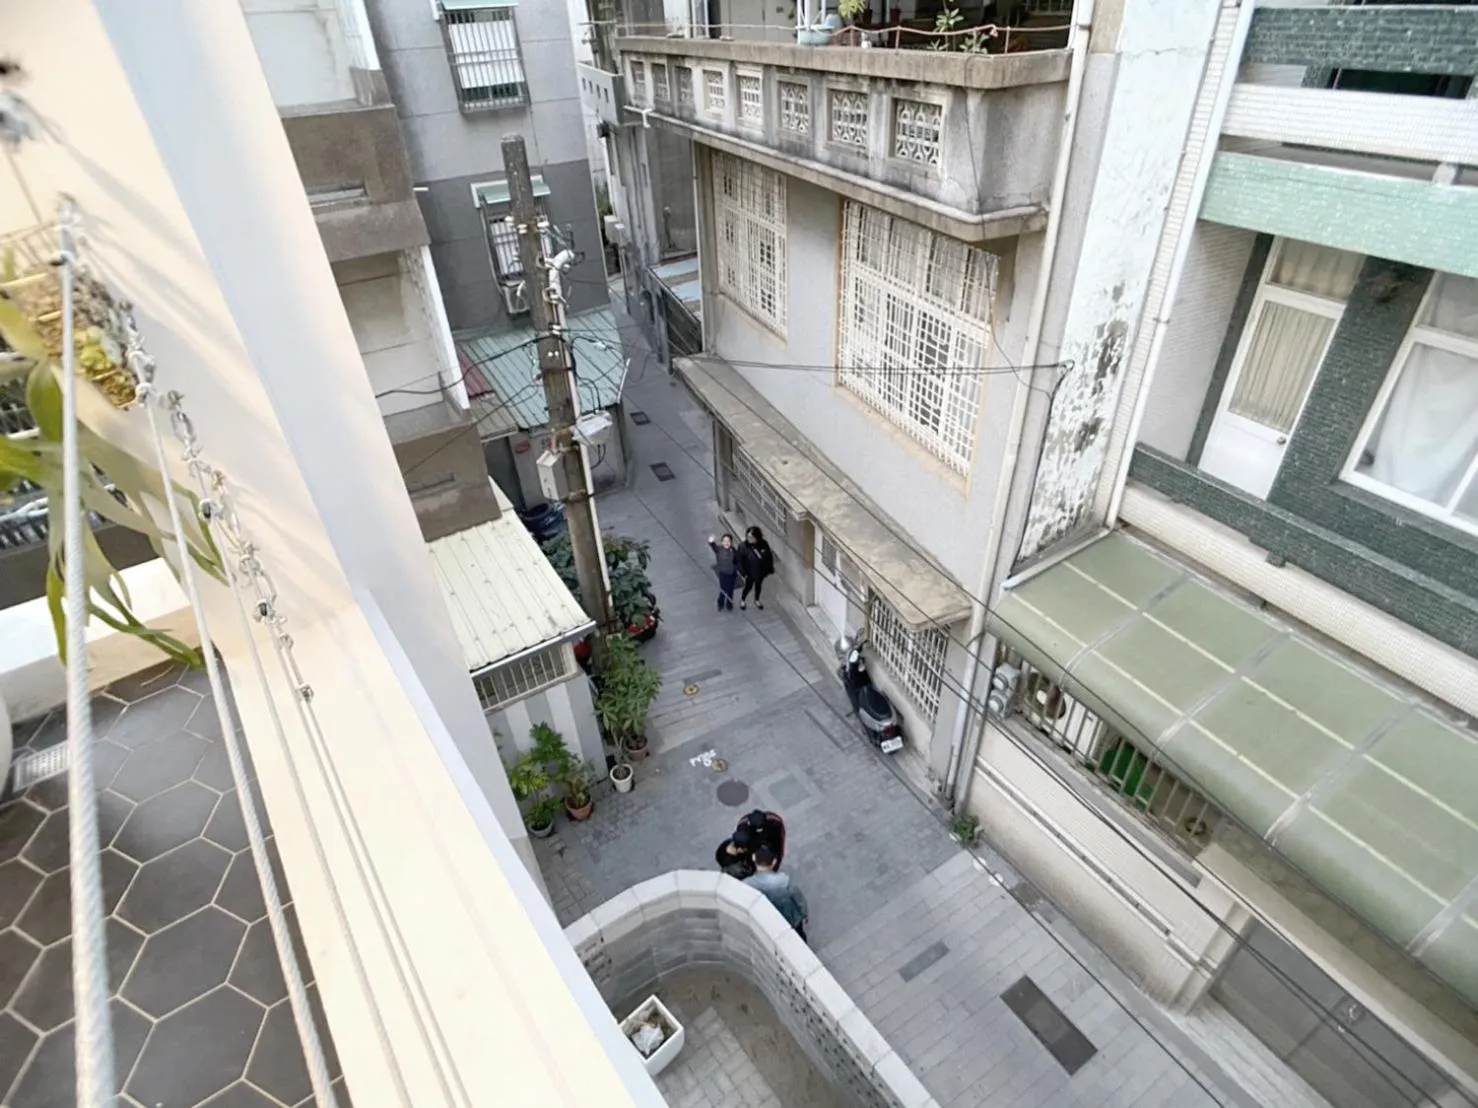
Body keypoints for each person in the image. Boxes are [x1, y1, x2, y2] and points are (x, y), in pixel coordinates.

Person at [746, 846, 808, 943]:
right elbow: (798, 899)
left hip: (771, 922)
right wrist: (804, 913)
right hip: (791, 917)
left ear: (753, 858)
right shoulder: (784, 881)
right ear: (774, 862)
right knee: (800, 937)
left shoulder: (747, 884)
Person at [737, 527, 776, 611]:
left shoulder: (763, 544)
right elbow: (739, 561)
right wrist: (743, 572)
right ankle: (743, 600)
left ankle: (757, 600)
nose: (749, 539)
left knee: (758, 586)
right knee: (748, 587)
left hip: (760, 572)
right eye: (748, 537)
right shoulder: (743, 547)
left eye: (751, 537)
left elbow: (769, 557)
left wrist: (770, 568)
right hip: (750, 573)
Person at [707, 533, 739, 612]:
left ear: (731, 542)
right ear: (722, 542)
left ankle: (729, 604)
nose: (726, 542)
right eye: (725, 541)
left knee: (730, 590)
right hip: (723, 574)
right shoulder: (719, 550)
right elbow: (713, 545)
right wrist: (711, 541)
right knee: (723, 590)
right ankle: (720, 603)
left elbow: (737, 561)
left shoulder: (733, 550)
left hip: (732, 574)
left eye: (728, 541)